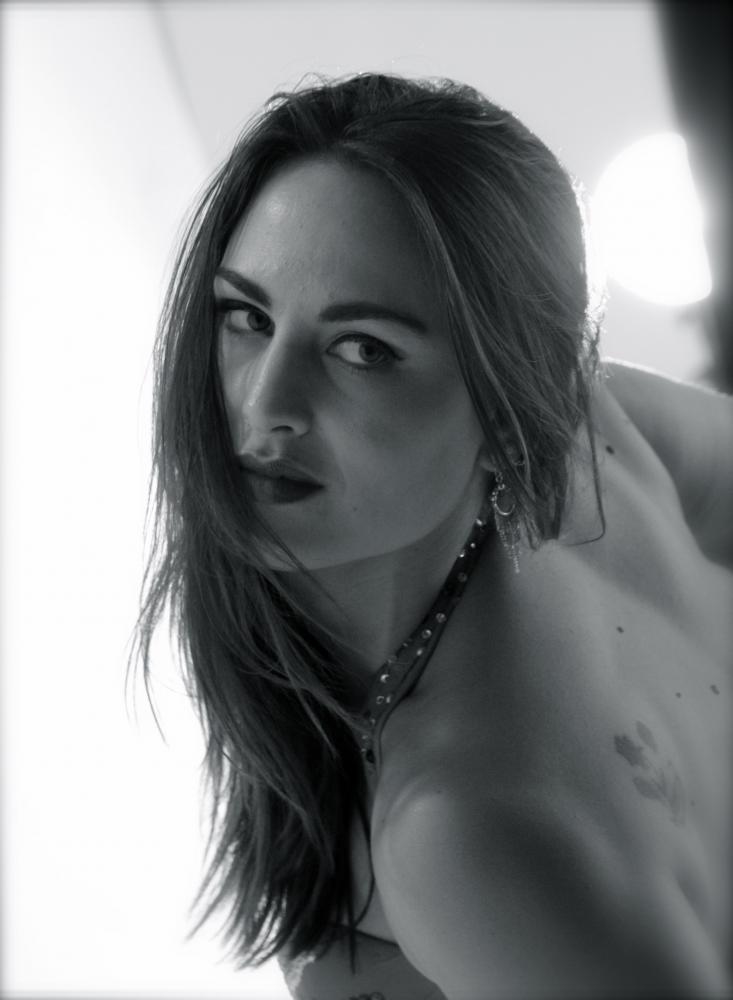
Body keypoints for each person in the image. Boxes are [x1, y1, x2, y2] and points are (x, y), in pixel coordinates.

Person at [130, 72, 732, 999]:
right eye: (247, 316)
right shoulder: (611, 431)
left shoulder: (464, 827)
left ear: (509, 408)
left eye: (363, 349)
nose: (266, 403)